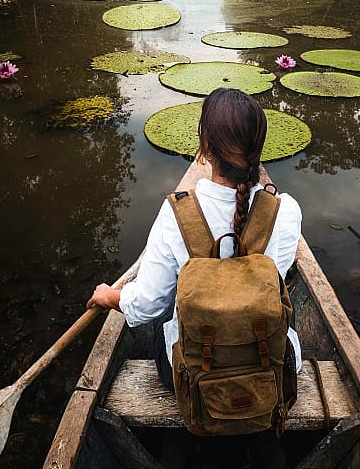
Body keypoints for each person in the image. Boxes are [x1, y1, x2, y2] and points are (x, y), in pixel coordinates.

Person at [86, 87, 303, 391]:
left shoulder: (175, 214)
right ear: (258, 148)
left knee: (162, 322)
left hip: (194, 376)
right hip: (269, 367)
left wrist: (109, 296)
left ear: (205, 146)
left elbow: (149, 304)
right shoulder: (286, 211)